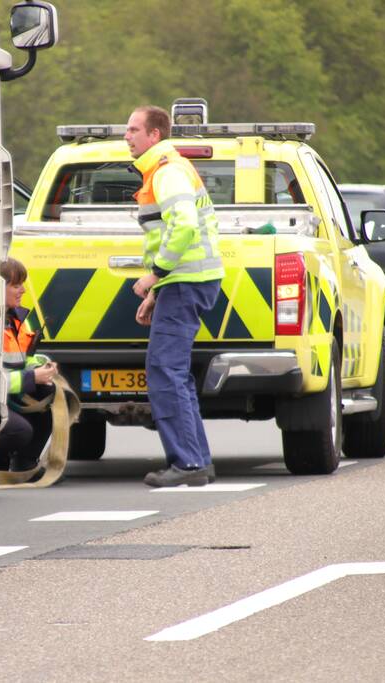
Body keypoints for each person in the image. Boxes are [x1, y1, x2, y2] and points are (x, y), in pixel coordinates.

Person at [125, 105, 224, 487]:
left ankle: (187, 464)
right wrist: (159, 291)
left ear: (155, 135)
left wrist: (155, 276)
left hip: (185, 282)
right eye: (127, 130)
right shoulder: (165, 170)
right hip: (184, 283)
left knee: (165, 370)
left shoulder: (167, 172)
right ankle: (197, 460)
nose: (127, 136)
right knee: (175, 373)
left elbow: (182, 229)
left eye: (134, 129)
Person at [0, 257, 58, 474]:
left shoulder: (18, 319)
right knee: (19, 431)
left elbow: (24, 359)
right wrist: (32, 378)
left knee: (49, 393)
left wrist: (43, 365)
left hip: (10, 395)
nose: (22, 290)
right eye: (15, 285)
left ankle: (25, 465)